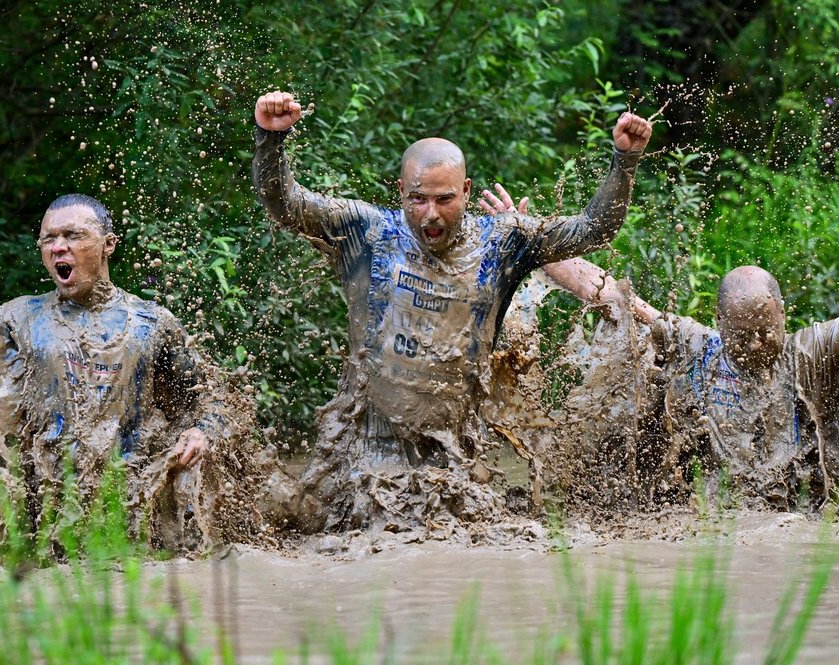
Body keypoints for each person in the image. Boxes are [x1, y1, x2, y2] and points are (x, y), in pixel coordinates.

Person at [481, 174, 839, 512]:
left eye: (767, 329)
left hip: (796, 513)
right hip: (714, 516)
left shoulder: (808, 352)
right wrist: (526, 237)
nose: (759, 343)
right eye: (743, 335)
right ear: (719, 322)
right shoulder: (694, 345)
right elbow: (608, 294)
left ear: (784, 313)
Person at [251, 91, 652, 533]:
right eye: (418, 199)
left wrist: (625, 160)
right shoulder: (367, 230)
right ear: (401, 191)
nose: (431, 215)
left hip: (455, 455)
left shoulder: (502, 241)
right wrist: (271, 139)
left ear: (465, 191)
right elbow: (286, 205)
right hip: (368, 451)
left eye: (444, 200)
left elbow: (594, 229)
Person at [0, 194, 229, 560]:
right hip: (39, 521)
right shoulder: (17, 319)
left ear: (108, 244)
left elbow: (211, 401)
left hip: (133, 518)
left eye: (72, 235)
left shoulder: (152, 323)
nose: (58, 247)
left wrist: (202, 433)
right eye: (49, 239)